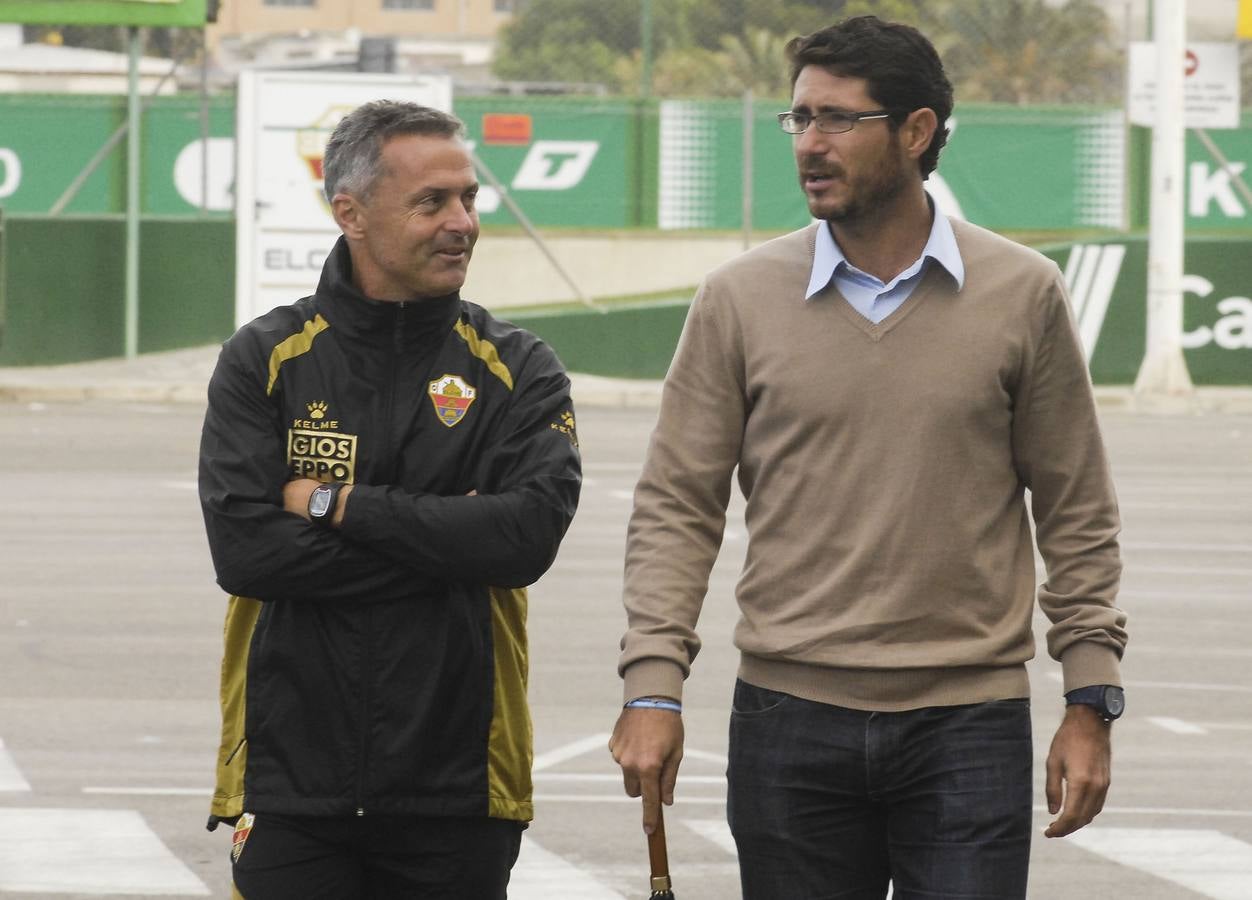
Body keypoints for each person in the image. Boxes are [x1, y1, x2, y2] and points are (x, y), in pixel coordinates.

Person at [609, 16, 1126, 900]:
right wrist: (652, 689)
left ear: (917, 131)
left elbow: (1075, 508)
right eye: (800, 119)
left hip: (970, 724)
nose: (810, 143)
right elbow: (677, 505)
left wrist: (1090, 699)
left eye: (837, 120)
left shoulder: (1022, 294)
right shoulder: (737, 300)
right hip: (787, 723)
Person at [198, 100, 581, 900]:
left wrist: (335, 504)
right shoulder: (265, 358)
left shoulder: (518, 366)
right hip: (291, 784)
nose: (462, 223)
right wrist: (450, 539)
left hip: (460, 789)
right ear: (351, 212)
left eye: (469, 199)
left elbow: (523, 540)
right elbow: (247, 554)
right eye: (431, 201)